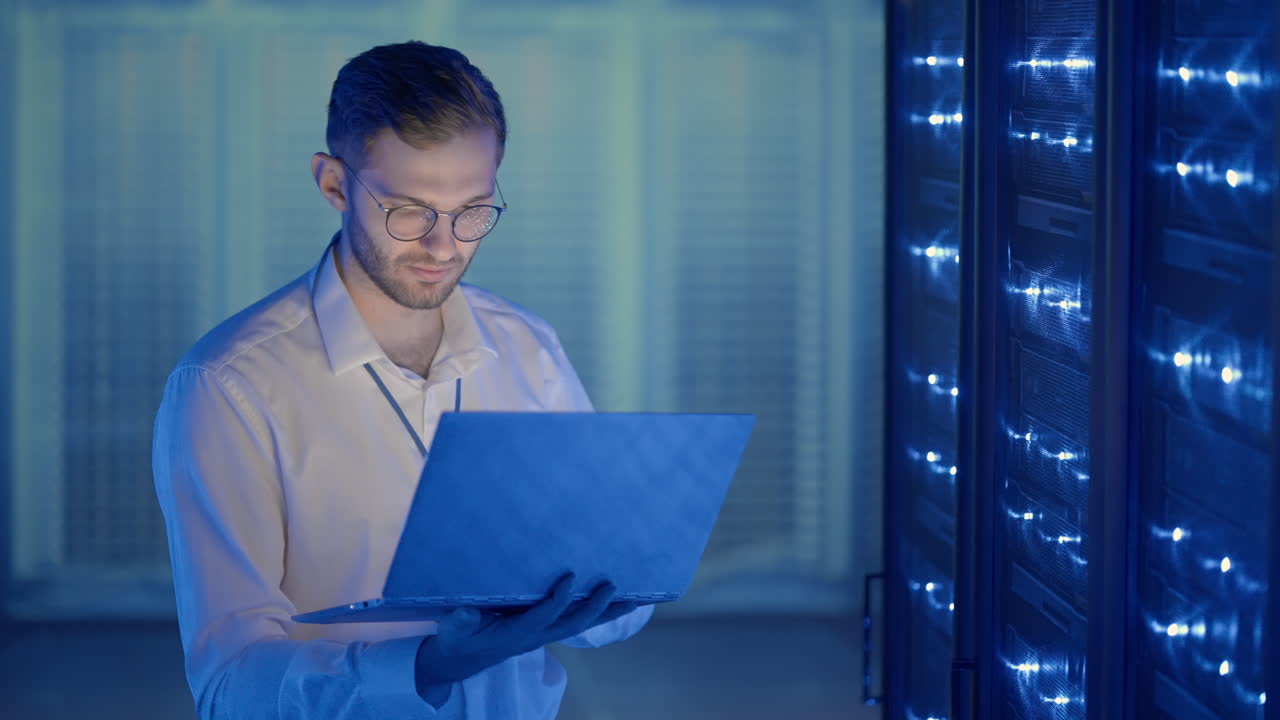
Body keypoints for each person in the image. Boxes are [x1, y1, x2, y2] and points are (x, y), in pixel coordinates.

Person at [152, 40, 653, 720]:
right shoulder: (229, 385)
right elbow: (229, 686)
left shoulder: (527, 348)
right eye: (410, 211)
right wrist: (432, 665)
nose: (445, 246)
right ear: (333, 184)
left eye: (473, 210)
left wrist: (607, 586)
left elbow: (611, 616)